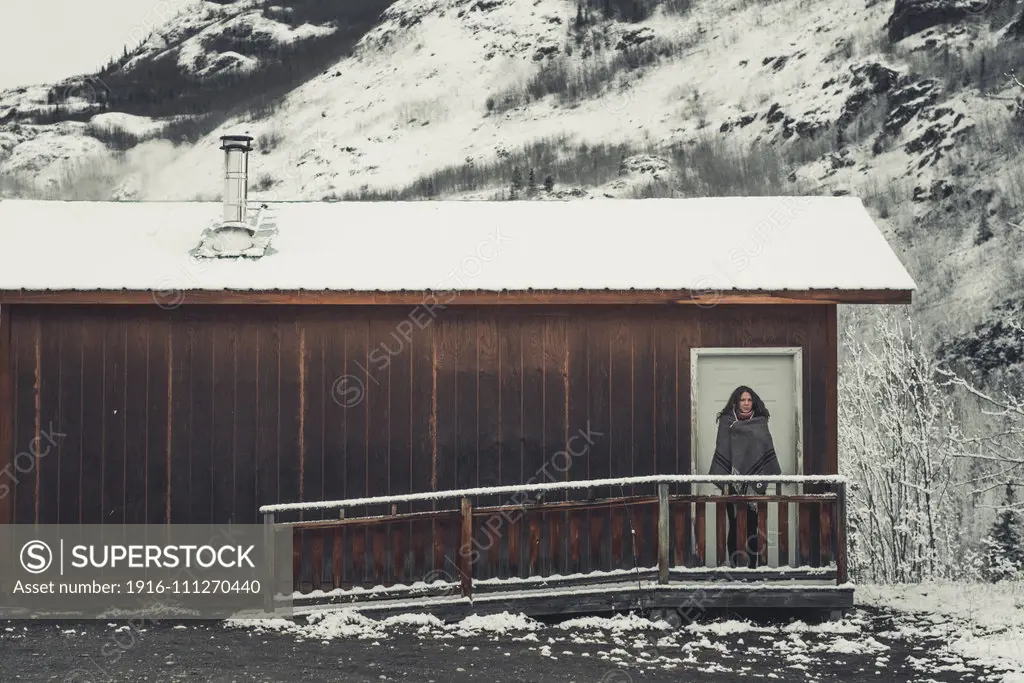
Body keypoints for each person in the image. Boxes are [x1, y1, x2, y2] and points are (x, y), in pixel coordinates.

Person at [707, 385, 782, 568]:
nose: (746, 403)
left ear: (753, 402)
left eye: (749, 400)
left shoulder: (760, 423)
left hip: (754, 484)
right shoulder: (726, 422)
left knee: (752, 526)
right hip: (732, 483)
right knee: (733, 525)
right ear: (736, 402)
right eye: (743, 400)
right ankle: (734, 567)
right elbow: (722, 450)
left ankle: (752, 567)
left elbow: (765, 449)